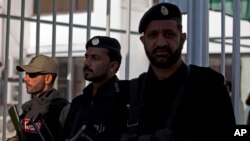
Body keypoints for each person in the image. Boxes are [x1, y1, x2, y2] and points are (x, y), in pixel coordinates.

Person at [121, 2, 236, 141]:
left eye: (169, 34)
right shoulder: (130, 93)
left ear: (182, 39)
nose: (161, 43)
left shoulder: (209, 88)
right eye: (153, 35)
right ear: (143, 40)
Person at [62, 36, 129, 141]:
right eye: (87, 56)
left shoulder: (124, 101)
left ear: (112, 66)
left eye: (95, 58)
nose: (86, 63)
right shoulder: (78, 102)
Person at [7, 54, 70, 141]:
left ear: (48, 78)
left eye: (32, 74)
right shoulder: (28, 107)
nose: (25, 78)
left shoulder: (62, 108)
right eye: (26, 74)